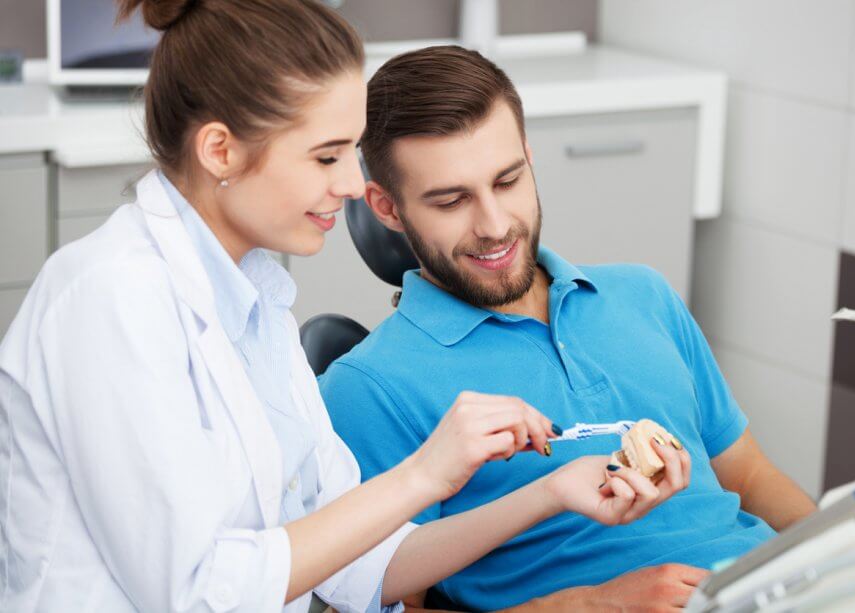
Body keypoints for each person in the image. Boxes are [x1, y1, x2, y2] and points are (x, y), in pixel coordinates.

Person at [0, 3, 690, 612]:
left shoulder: (254, 300)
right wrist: (425, 472)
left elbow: (363, 564)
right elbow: (200, 595)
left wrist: (551, 491)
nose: (356, 186)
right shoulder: (110, 298)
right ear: (220, 151)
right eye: (327, 156)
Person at [320, 45, 818, 611]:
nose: (495, 225)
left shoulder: (643, 294)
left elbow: (748, 475)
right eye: (452, 199)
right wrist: (589, 605)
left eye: (507, 181)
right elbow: (391, 600)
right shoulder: (368, 387)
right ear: (386, 208)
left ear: (530, 159)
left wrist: (840, 551)